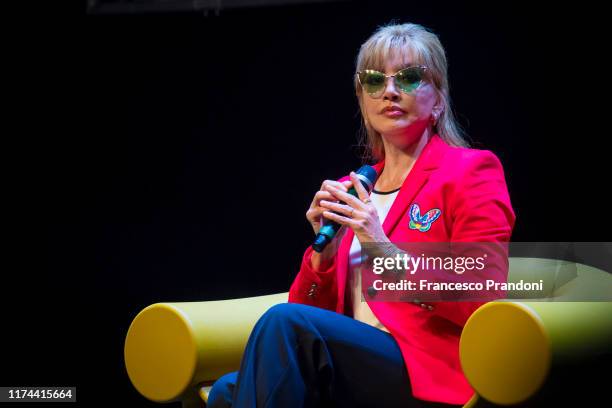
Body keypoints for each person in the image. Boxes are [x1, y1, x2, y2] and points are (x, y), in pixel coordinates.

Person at [208, 22, 515, 408]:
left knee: (282, 322)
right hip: (353, 368)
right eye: (374, 81)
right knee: (224, 391)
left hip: (423, 368)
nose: (389, 91)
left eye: (408, 78)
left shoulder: (470, 172)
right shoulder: (353, 189)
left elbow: (482, 294)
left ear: (438, 99)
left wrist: (382, 248)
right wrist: (325, 255)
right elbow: (309, 312)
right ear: (364, 102)